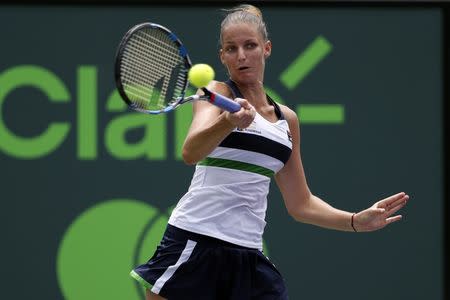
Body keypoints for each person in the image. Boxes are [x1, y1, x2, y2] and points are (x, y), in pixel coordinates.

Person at [130, 4, 409, 300]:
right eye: (231, 48)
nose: (241, 55)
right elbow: (191, 151)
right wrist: (227, 122)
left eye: (249, 45)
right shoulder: (215, 93)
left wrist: (354, 220)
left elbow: (301, 203)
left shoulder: (287, 120)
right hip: (195, 243)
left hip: (248, 255)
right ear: (222, 56)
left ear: (266, 48)